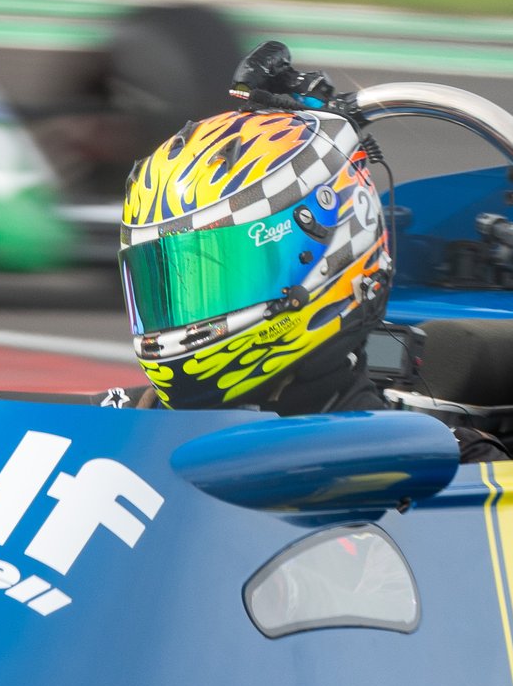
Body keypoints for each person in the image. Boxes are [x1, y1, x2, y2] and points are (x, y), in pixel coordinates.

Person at [118, 45, 392, 413]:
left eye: (221, 278)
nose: (182, 319)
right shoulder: (121, 421)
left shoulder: (422, 457)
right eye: (162, 288)